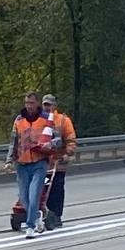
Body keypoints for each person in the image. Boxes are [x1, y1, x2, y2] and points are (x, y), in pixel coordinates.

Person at [5, 92, 59, 238]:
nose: (29, 106)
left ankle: (30, 226)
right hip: (22, 163)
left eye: (31, 103)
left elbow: (57, 138)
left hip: (39, 163)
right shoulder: (19, 119)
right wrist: (9, 160)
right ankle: (36, 217)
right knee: (23, 197)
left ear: (37, 104)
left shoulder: (46, 118)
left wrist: (50, 144)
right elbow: (14, 141)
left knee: (34, 194)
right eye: (26, 103)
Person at [42, 93, 77, 228]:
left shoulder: (63, 120)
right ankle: (41, 213)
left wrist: (68, 153)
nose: (47, 107)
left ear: (54, 106)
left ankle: (56, 215)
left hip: (58, 162)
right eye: (45, 105)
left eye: (49, 105)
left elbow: (70, 139)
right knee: (41, 190)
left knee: (56, 189)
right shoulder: (38, 120)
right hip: (42, 162)